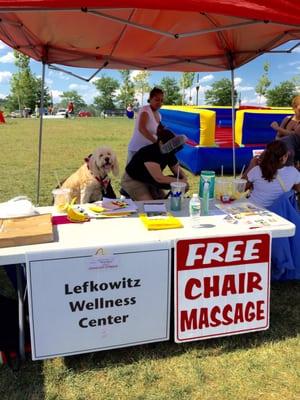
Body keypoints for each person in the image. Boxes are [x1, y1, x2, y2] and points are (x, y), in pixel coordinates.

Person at [121, 128, 189, 200]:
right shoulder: (150, 152)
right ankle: (127, 193)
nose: (170, 147)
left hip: (151, 180)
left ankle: (171, 202)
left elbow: (178, 171)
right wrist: (179, 181)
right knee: (150, 206)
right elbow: (159, 178)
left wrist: (183, 179)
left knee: (183, 187)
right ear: (160, 142)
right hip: (134, 180)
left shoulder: (169, 152)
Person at [245, 140, 300, 208]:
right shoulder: (293, 172)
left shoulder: (256, 170)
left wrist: (251, 166)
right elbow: (298, 189)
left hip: (253, 209)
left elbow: (240, 189)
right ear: (284, 157)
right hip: (279, 213)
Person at [127, 87, 164, 163]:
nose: (159, 103)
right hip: (136, 150)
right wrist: (156, 142)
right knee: (131, 174)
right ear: (150, 99)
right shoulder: (145, 110)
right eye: (157, 100)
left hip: (148, 151)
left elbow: (158, 132)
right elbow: (142, 128)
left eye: (161, 100)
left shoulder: (159, 115)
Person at [270, 95, 300, 165]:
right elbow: (277, 136)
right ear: (294, 107)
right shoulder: (287, 119)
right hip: (283, 150)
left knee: (289, 139)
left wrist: (277, 128)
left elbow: (295, 135)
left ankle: (290, 166)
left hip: (296, 150)